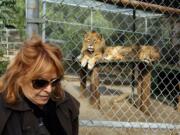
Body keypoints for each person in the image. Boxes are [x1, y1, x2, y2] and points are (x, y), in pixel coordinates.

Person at [0, 36, 80, 135]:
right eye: (40, 82)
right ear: (20, 78)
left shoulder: (66, 103)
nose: (49, 90)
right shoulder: (4, 112)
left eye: (54, 81)